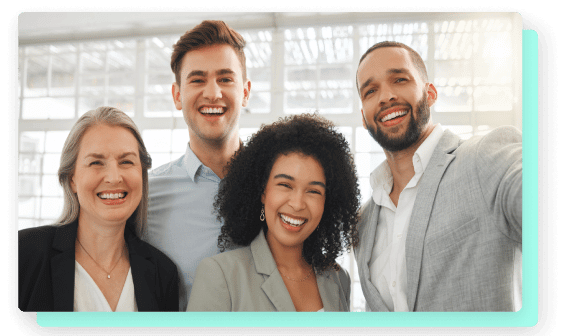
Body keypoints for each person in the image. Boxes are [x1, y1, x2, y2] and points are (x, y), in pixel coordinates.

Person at [354, 41, 522, 312]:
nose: (385, 96)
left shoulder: (486, 159)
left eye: (399, 79)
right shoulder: (363, 222)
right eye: (370, 91)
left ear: (430, 94)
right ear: (364, 117)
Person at [187, 113, 360, 311]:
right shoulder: (221, 274)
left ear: (327, 203)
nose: (297, 204)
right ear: (262, 192)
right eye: (285, 185)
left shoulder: (338, 278)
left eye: (313, 191)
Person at [18, 107, 179, 312]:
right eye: (96, 162)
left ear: (142, 175)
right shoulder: (24, 254)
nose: (113, 177)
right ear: (72, 179)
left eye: (126, 162)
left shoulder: (163, 273)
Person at [142, 20, 252, 310]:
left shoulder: (279, 184)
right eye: (198, 79)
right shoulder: (146, 197)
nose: (213, 93)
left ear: (245, 91)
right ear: (178, 95)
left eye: (226, 79)